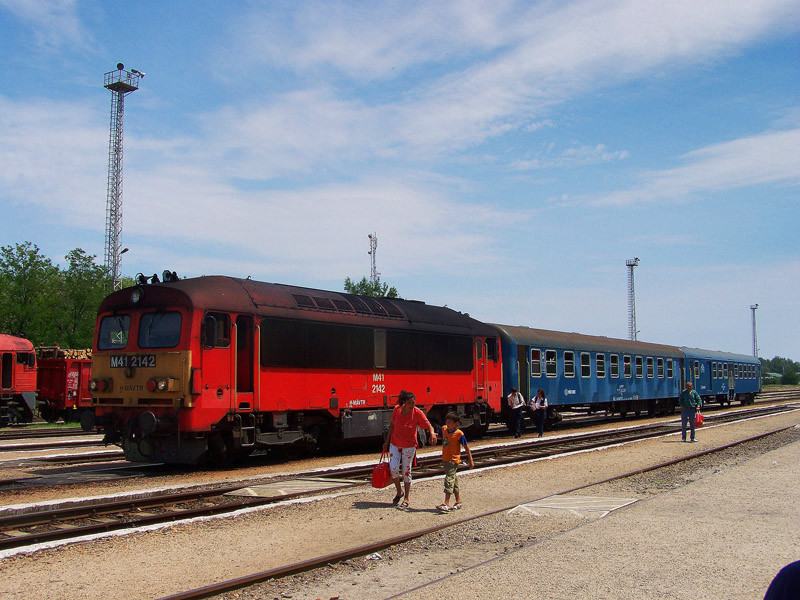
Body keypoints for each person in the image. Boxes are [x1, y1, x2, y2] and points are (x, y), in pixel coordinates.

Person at [383, 390, 437, 508]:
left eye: (413, 403)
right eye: (410, 403)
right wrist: (386, 442)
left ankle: (406, 498)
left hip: (409, 445)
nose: (412, 405)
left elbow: (428, 425)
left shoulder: (417, 413)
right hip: (395, 443)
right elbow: (392, 426)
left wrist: (432, 433)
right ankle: (399, 491)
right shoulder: (397, 410)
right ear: (404, 403)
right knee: (393, 469)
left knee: (406, 472)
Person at [436, 412, 474, 512]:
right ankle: (458, 501)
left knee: (449, 479)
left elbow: (466, 447)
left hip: (453, 460)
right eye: (446, 422)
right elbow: (440, 436)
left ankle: (446, 502)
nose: (447, 424)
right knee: (453, 479)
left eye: (449, 422)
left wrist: (471, 461)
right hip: (445, 459)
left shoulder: (459, 434)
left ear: (456, 424)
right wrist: (433, 436)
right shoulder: (444, 429)